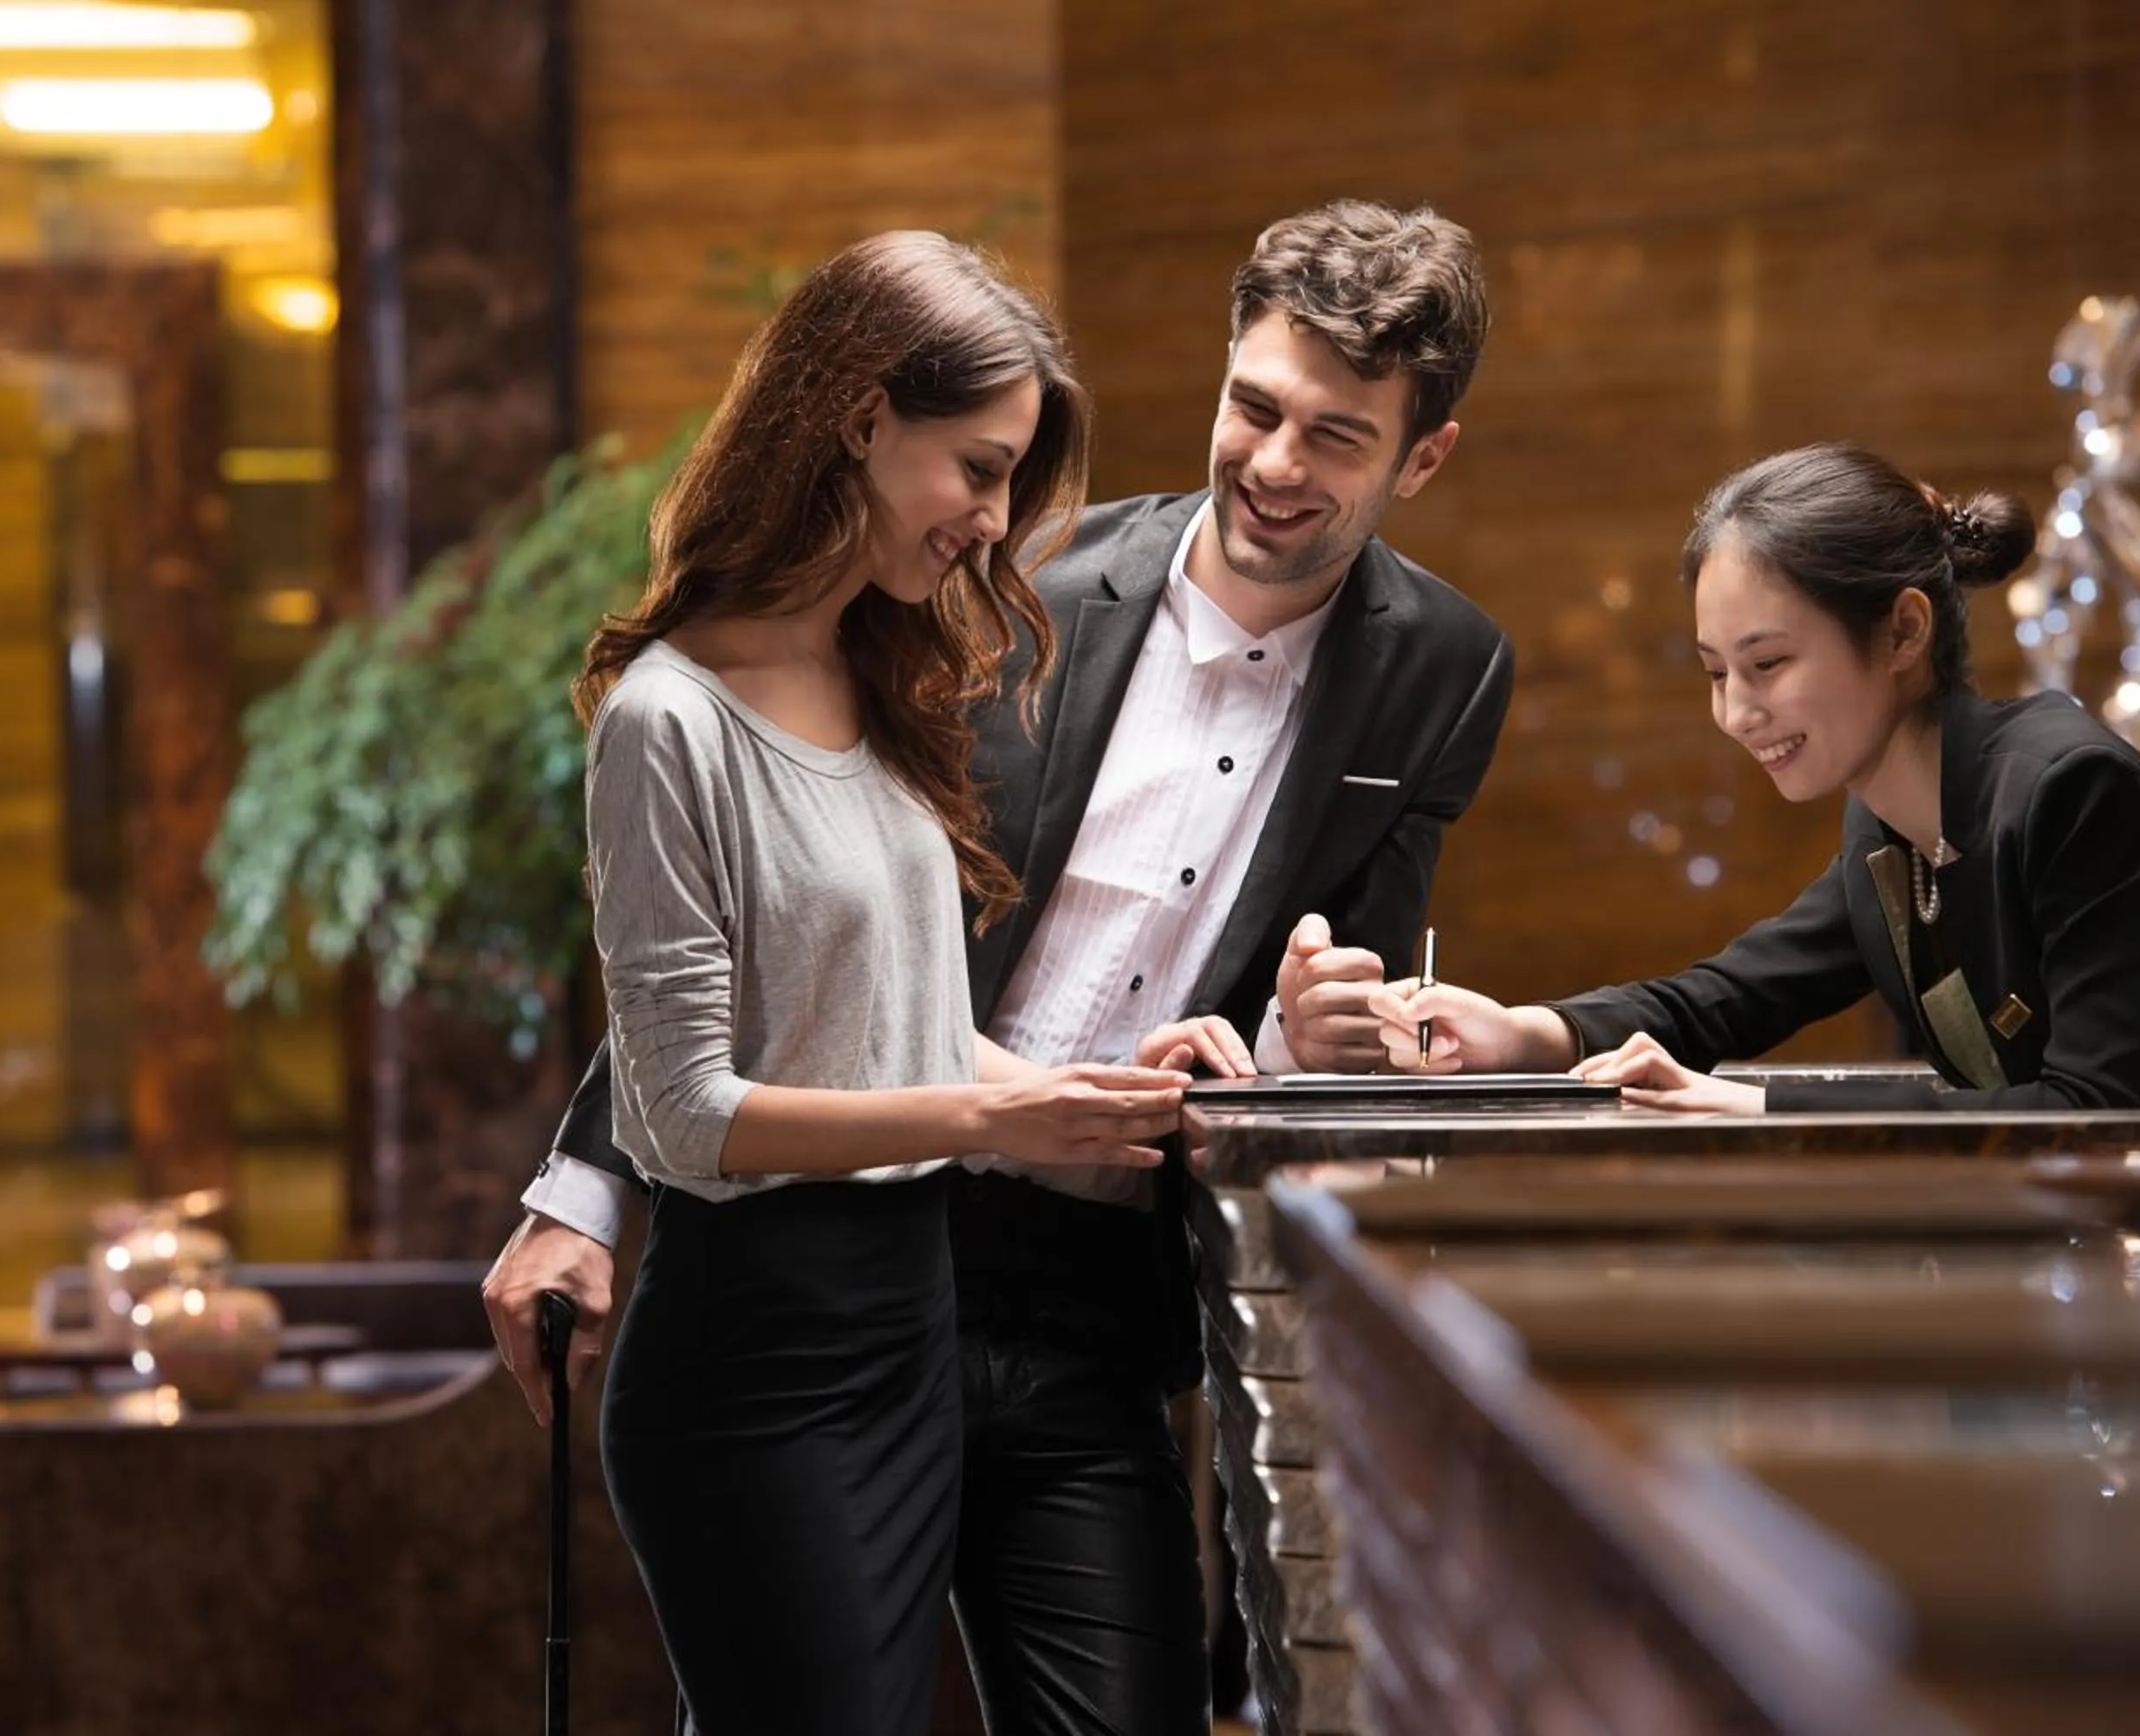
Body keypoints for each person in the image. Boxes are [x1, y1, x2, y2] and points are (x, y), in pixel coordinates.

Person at [488, 199, 1515, 1735]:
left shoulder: (1449, 668)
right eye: (1255, 406)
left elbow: (1341, 993)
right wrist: (585, 1187)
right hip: (856, 1236)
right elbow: (778, 913)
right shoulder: (1010, 578)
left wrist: (1315, 1034)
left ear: (1422, 456)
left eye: (1339, 437)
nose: (1278, 464)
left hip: (1101, 1296)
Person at [571, 230, 1192, 1736]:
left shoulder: (887, 685)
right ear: (859, 416)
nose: (991, 524)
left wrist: (1055, 1096)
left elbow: (892, 1031)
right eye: (975, 469)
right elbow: (688, 1119)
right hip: (755, 1365)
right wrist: (990, 1123)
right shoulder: (669, 724)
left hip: (904, 1336)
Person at [1373, 441, 2140, 1113]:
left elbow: (2093, 1112)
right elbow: (1725, 996)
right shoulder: (1889, 830)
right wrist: (1524, 1033)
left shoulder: (2071, 790)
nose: (1736, 713)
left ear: (1903, 632)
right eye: (1716, 672)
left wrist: (1756, 1106)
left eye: (1768, 664)